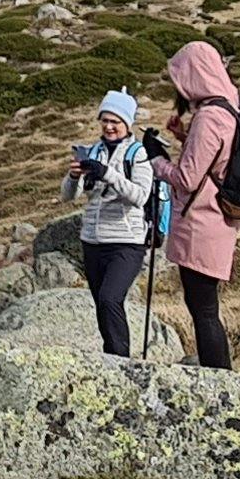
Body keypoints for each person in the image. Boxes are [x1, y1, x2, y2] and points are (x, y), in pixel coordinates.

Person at [152, 43, 240, 370]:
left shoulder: (209, 117)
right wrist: (183, 137)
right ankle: (221, 376)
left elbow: (187, 179)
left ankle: (220, 379)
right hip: (216, 221)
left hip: (203, 225)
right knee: (206, 309)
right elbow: (214, 160)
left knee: (203, 311)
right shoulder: (229, 107)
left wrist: (156, 160)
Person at [71, 92, 161, 358]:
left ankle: (121, 361)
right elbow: (69, 196)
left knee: (111, 299)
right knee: (101, 303)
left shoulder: (138, 153)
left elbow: (140, 196)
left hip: (126, 242)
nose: (109, 126)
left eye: (116, 121)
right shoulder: (93, 150)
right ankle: (110, 357)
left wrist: (107, 173)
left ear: (128, 123)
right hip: (93, 240)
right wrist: (73, 176)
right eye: (105, 120)